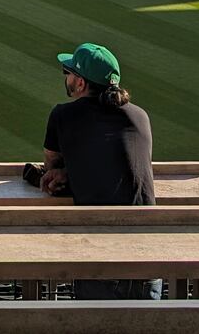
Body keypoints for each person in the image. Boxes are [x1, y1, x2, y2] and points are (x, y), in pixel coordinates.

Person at [41, 42, 160, 301]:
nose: (67, 78)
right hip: (149, 256)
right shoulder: (140, 116)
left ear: (81, 83)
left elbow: (50, 169)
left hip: (100, 256)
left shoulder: (63, 115)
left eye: (68, 72)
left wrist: (63, 175)